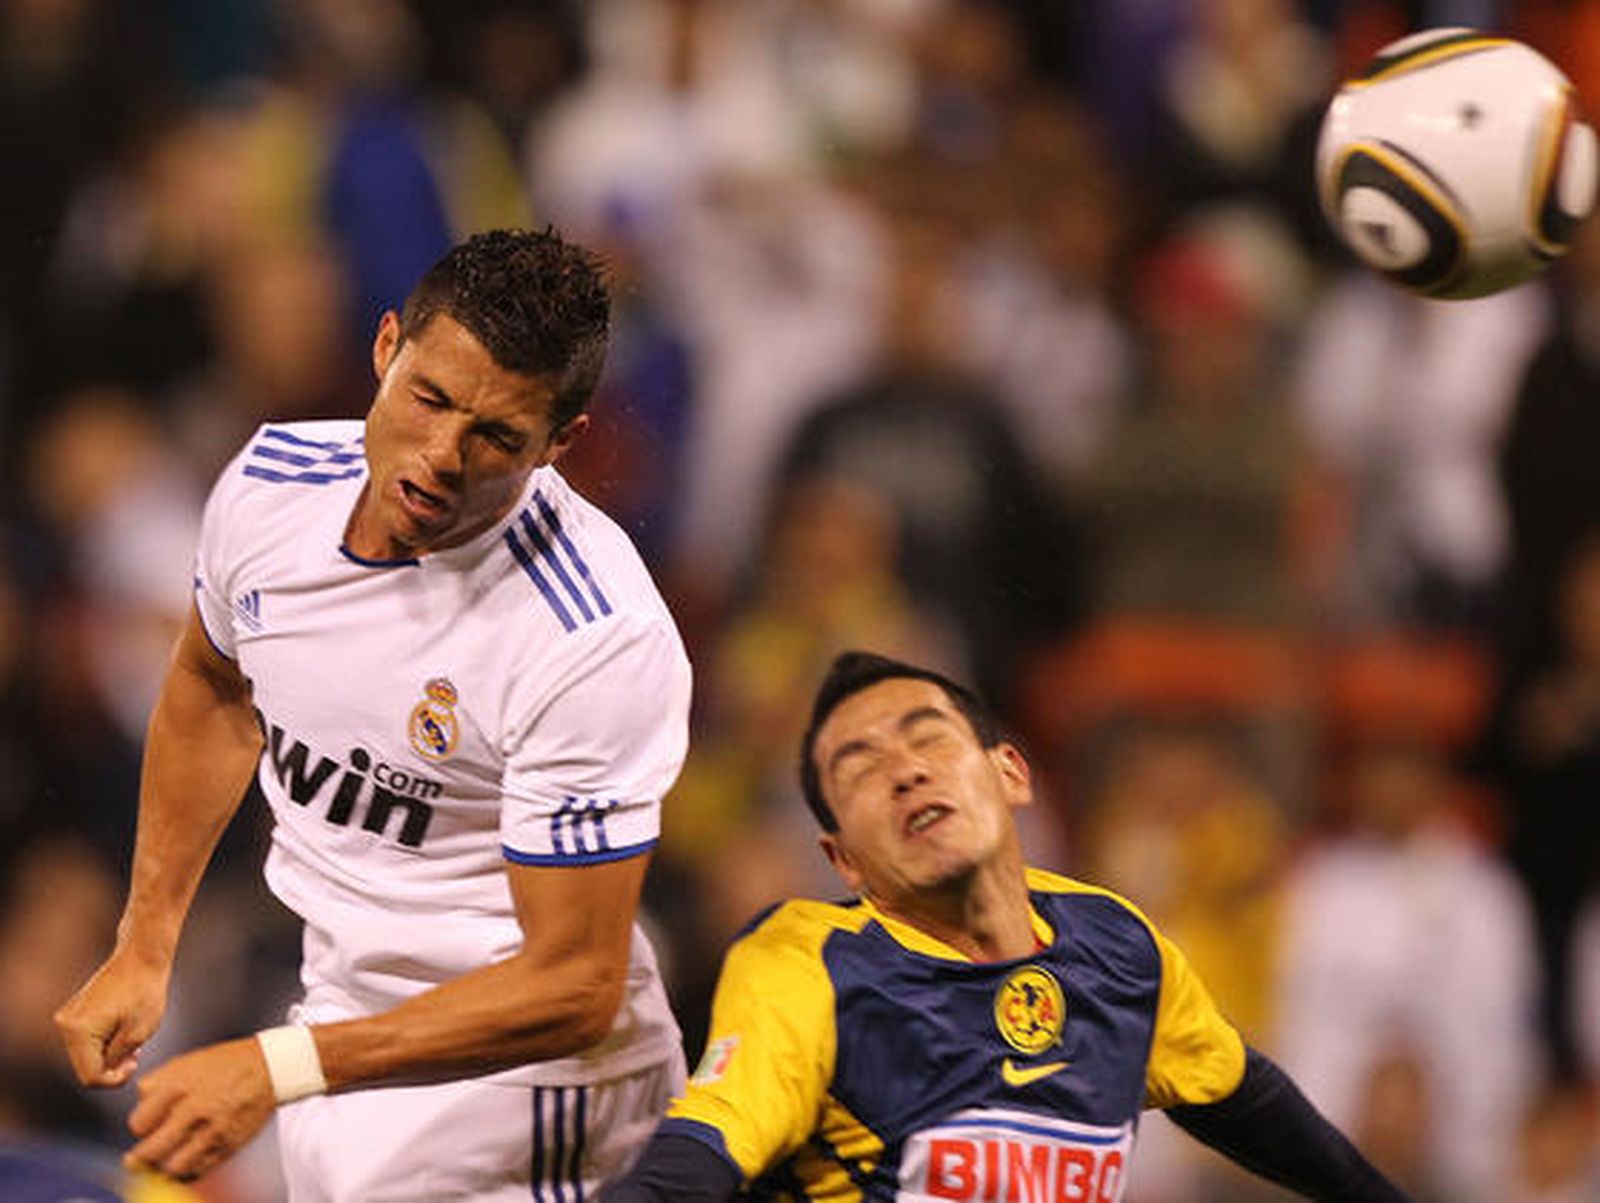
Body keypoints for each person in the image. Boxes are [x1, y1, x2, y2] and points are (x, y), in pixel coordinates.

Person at [53, 228, 694, 1201]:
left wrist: (281, 1065)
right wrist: (145, 947)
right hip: (343, 1048)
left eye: (495, 437)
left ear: (559, 444)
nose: (440, 456)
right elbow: (212, 686)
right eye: (428, 399)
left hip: (536, 1102)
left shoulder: (592, 636)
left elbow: (575, 986)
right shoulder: (269, 488)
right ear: (386, 346)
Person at [603, 650, 1413, 1202]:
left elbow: (1241, 1094)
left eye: (929, 738)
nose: (906, 769)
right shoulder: (809, 962)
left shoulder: (1117, 947)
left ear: (1011, 772)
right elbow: (699, 1154)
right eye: (860, 768)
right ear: (843, 857)